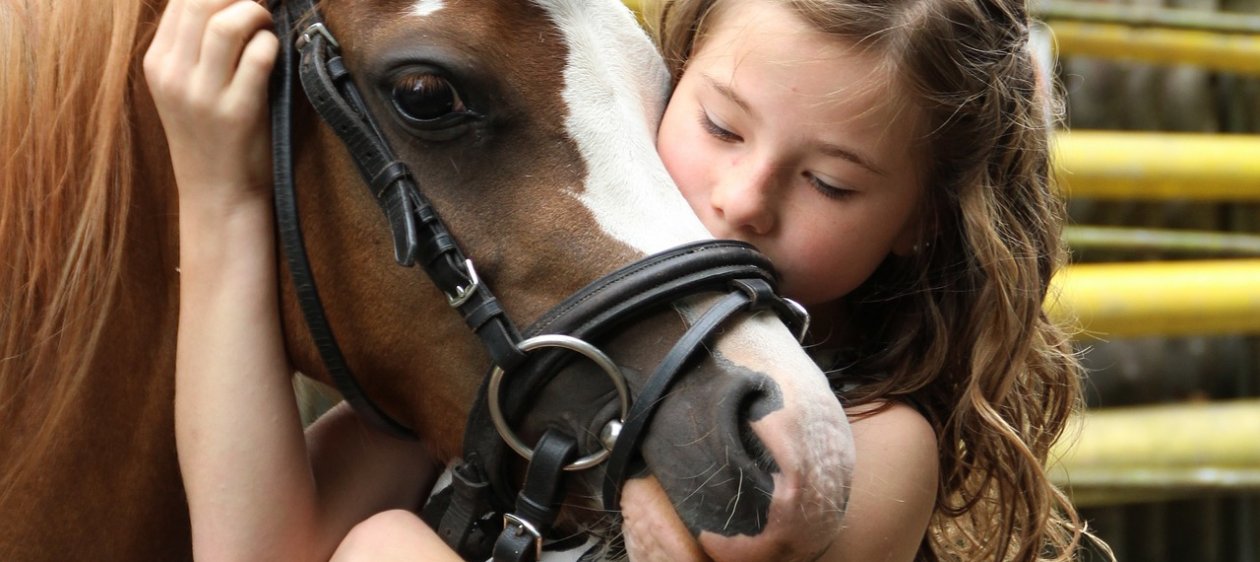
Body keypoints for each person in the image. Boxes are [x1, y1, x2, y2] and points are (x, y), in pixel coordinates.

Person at [146, 0, 1102, 560]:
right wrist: (219, 197)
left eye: (829, 182)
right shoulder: (526, 353)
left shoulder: (881, 443)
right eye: (721, 127)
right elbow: (258, 547)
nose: (741, 199)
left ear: (921, 221)